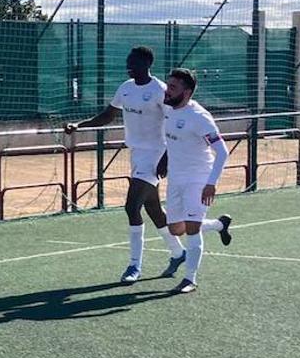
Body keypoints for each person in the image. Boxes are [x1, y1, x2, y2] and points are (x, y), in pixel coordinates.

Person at [66, 46, 187, 283]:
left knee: (131, 207)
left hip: (155, 155)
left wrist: (167, 158)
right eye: (128, 61)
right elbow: (107, 116)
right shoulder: (126, 88)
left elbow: (174, 123)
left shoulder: (159, 90)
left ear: (147, 64)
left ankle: (134, 266)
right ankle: (178, 252)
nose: (128, 66)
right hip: (137, 154)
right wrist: (79, 125)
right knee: (152, 208)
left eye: (133, 62)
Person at [161, 68, 233, 295]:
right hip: (175, 178)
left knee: (192, 229)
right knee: (175, 229)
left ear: (187, 92)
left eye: (173, 87)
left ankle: (189, 279)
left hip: (198, 180)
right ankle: (219, 225)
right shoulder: (169, 110)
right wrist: (164, 161)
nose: (167, 90)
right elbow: (173, 142)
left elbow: (222, 152)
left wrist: (211, 183)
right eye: (168, 85)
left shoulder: (199, 117)